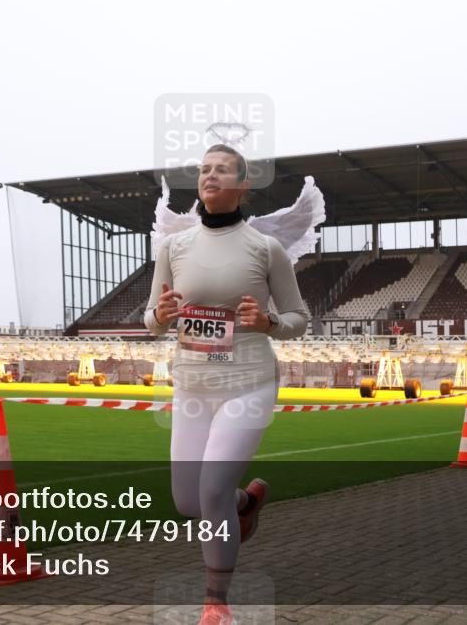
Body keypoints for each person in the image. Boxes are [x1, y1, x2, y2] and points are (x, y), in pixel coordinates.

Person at [145, 144, 316, 625]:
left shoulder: (265, 248)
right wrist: (158, 315)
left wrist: (268, 322)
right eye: (203, 170)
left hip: (249, 381)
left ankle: (215, 603)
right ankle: (247, 503)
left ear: (243, 186)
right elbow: (152, 318)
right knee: (187, 502)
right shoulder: (173, 247)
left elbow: (300, 317)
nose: (209, 176)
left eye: (221, 170)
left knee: (213, 488)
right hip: (193, 385)